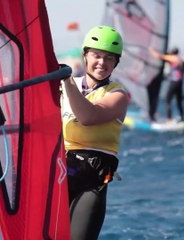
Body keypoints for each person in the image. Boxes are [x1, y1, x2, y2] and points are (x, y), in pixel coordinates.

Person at [60, 25, 128, 240]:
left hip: (91, 182)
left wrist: (66, 81)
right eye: (96, 55)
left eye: (109, 58)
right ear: (85, 56)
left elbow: (88, 117)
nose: (102, 62)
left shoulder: (117, 95)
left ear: (116, 63)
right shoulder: (65, 85)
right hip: (59, 173)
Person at [149, 47, 184, 122]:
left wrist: (151, 50)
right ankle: (182, 118)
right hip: (180, 83)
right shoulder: (181, 59)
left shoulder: (173, 58)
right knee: (179, 101)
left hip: (174, 82)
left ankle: (169, 119)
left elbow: (160, 56)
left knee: (168, 100)